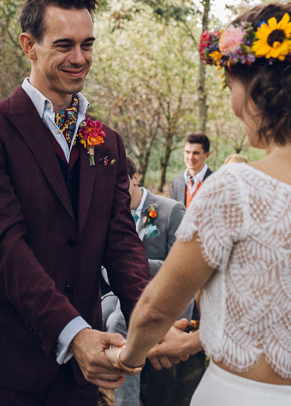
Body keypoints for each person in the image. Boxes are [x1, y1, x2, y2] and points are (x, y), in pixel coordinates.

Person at [107, 3, 291, 405]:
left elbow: (153, 310)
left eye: (232, 86)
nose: (233, 103)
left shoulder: (237, 188)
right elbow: (281, 307)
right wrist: (187, 345)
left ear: (259, 90)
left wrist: (126, 360)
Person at [0, 0, 152, 406]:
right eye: (64, 45)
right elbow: (4, 245)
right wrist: (73, 333)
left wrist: (152, 323)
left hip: (77, 378)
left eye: (87, 44)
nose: (80, 58)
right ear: (29, 46)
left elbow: (121, 240)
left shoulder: (107, 141)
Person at [102, 157, 187, 406]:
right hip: (117, 293)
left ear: (135, 177)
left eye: (120, 182)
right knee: (96, 311)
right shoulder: (109, 213)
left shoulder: (171, 210)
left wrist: (129, 265)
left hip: (163, 296)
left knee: (118, 320)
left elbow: (179, 268)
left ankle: (126, 403)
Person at [170, 133, 214, 208]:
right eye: (187, 152)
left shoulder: (215, 182)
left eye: (195, 153)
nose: (190, 157)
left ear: (206, 155)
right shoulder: (176, 182)